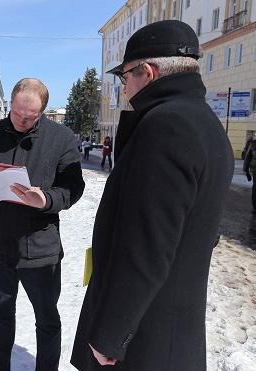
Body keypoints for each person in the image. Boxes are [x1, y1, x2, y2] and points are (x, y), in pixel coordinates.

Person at [71, 20, 234, 371]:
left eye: (125, 76)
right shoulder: (205, 122)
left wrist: (112, 334)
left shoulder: (166, 125)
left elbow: (147, 244)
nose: (124, 86)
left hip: (146, 336)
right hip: (171, 324)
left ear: (146, 71)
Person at [0, 78, 85, 371]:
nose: (21, 121)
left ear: (42, 111)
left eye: (30, 117)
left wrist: (46, 199)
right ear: (10, 103)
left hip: (40, 247)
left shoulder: (62, 137)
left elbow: (73, 187)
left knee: (47, 319)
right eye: (16, 113)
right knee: (0, 315)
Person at [243, 134, 256, 211]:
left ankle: (255, 206)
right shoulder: (253, 144)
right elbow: (248, 157)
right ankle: (255, 206)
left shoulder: (253, 144)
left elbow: (247, 157)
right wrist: (246, 170)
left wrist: (246, 170)